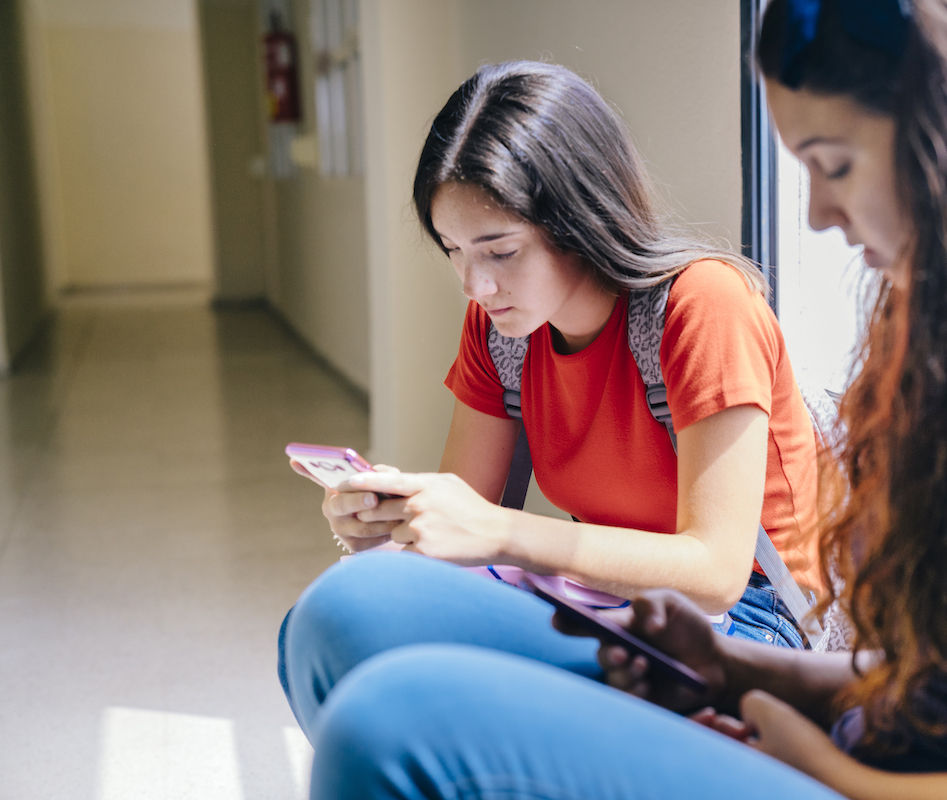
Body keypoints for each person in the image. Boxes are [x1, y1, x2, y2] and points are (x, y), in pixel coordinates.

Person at [291, 0, 947, 797]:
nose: (814, 214)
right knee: (348, 611)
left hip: (873, 769)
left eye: (835, 164)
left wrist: (843, 774)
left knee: (391, 725)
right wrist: (745, 674)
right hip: (851, 729)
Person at [279, 60, 830, 744]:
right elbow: (462, 530)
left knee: (373, 645)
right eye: (453, 251)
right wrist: (387, 523)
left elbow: (715, 575)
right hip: (598, 603)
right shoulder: (501, 332)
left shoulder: (703, 306)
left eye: (500, 251)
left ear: (580, 217)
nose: (475, 284)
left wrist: (505, 535)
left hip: (743, 630)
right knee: (330, 620)